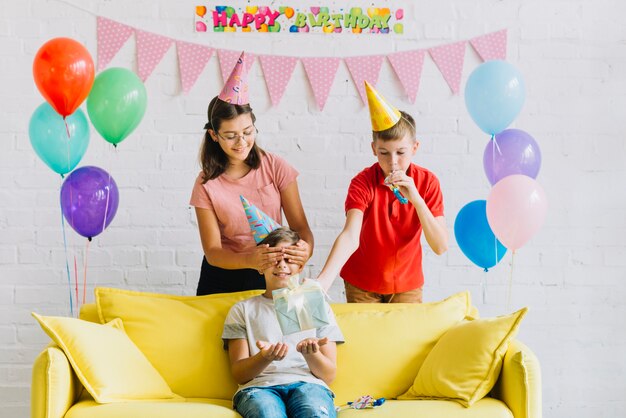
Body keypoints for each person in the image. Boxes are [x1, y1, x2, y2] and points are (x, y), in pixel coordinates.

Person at [189, 52, 313, 295]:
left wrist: (304, 250)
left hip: (272, 272)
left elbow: (301, 228)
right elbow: (213, 252)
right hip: (222, 276)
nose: (241, 142)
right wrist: (250, 259)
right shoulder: (205, 184)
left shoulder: (275, 166)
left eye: (247, 131)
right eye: (231, 135)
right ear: (214, 136)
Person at [316, 81, 448, 303]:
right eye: (384, 153)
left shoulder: (428, 182)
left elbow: (440, 246)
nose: (393, 162)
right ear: (373, 149)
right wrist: (322, 282)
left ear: (415, 148)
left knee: (408, 338)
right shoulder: (362, 183)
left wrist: (415, 198)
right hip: (362, 285)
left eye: (401, 152)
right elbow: (350, 236)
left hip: (408, 285)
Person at [223, 227, 344, 418]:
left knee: (314, 412)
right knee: (267, 413)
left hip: (309, 385)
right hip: (260, 388)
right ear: (261, 265)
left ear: (301, 266)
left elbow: (328, 375)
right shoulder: (242, 310)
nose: (282, 265)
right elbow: (239, 374)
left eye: (289, 260)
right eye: (274, 260)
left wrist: (311, 355)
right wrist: (265, 357)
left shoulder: (318, 306)